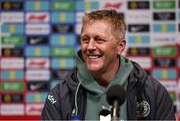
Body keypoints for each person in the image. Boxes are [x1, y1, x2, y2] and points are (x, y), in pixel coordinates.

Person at [41, 9, 175, 120]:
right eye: (85, 39)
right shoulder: (59, 96)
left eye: (99, 40)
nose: (90, 47)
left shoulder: (153, 93)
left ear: (120, 46)